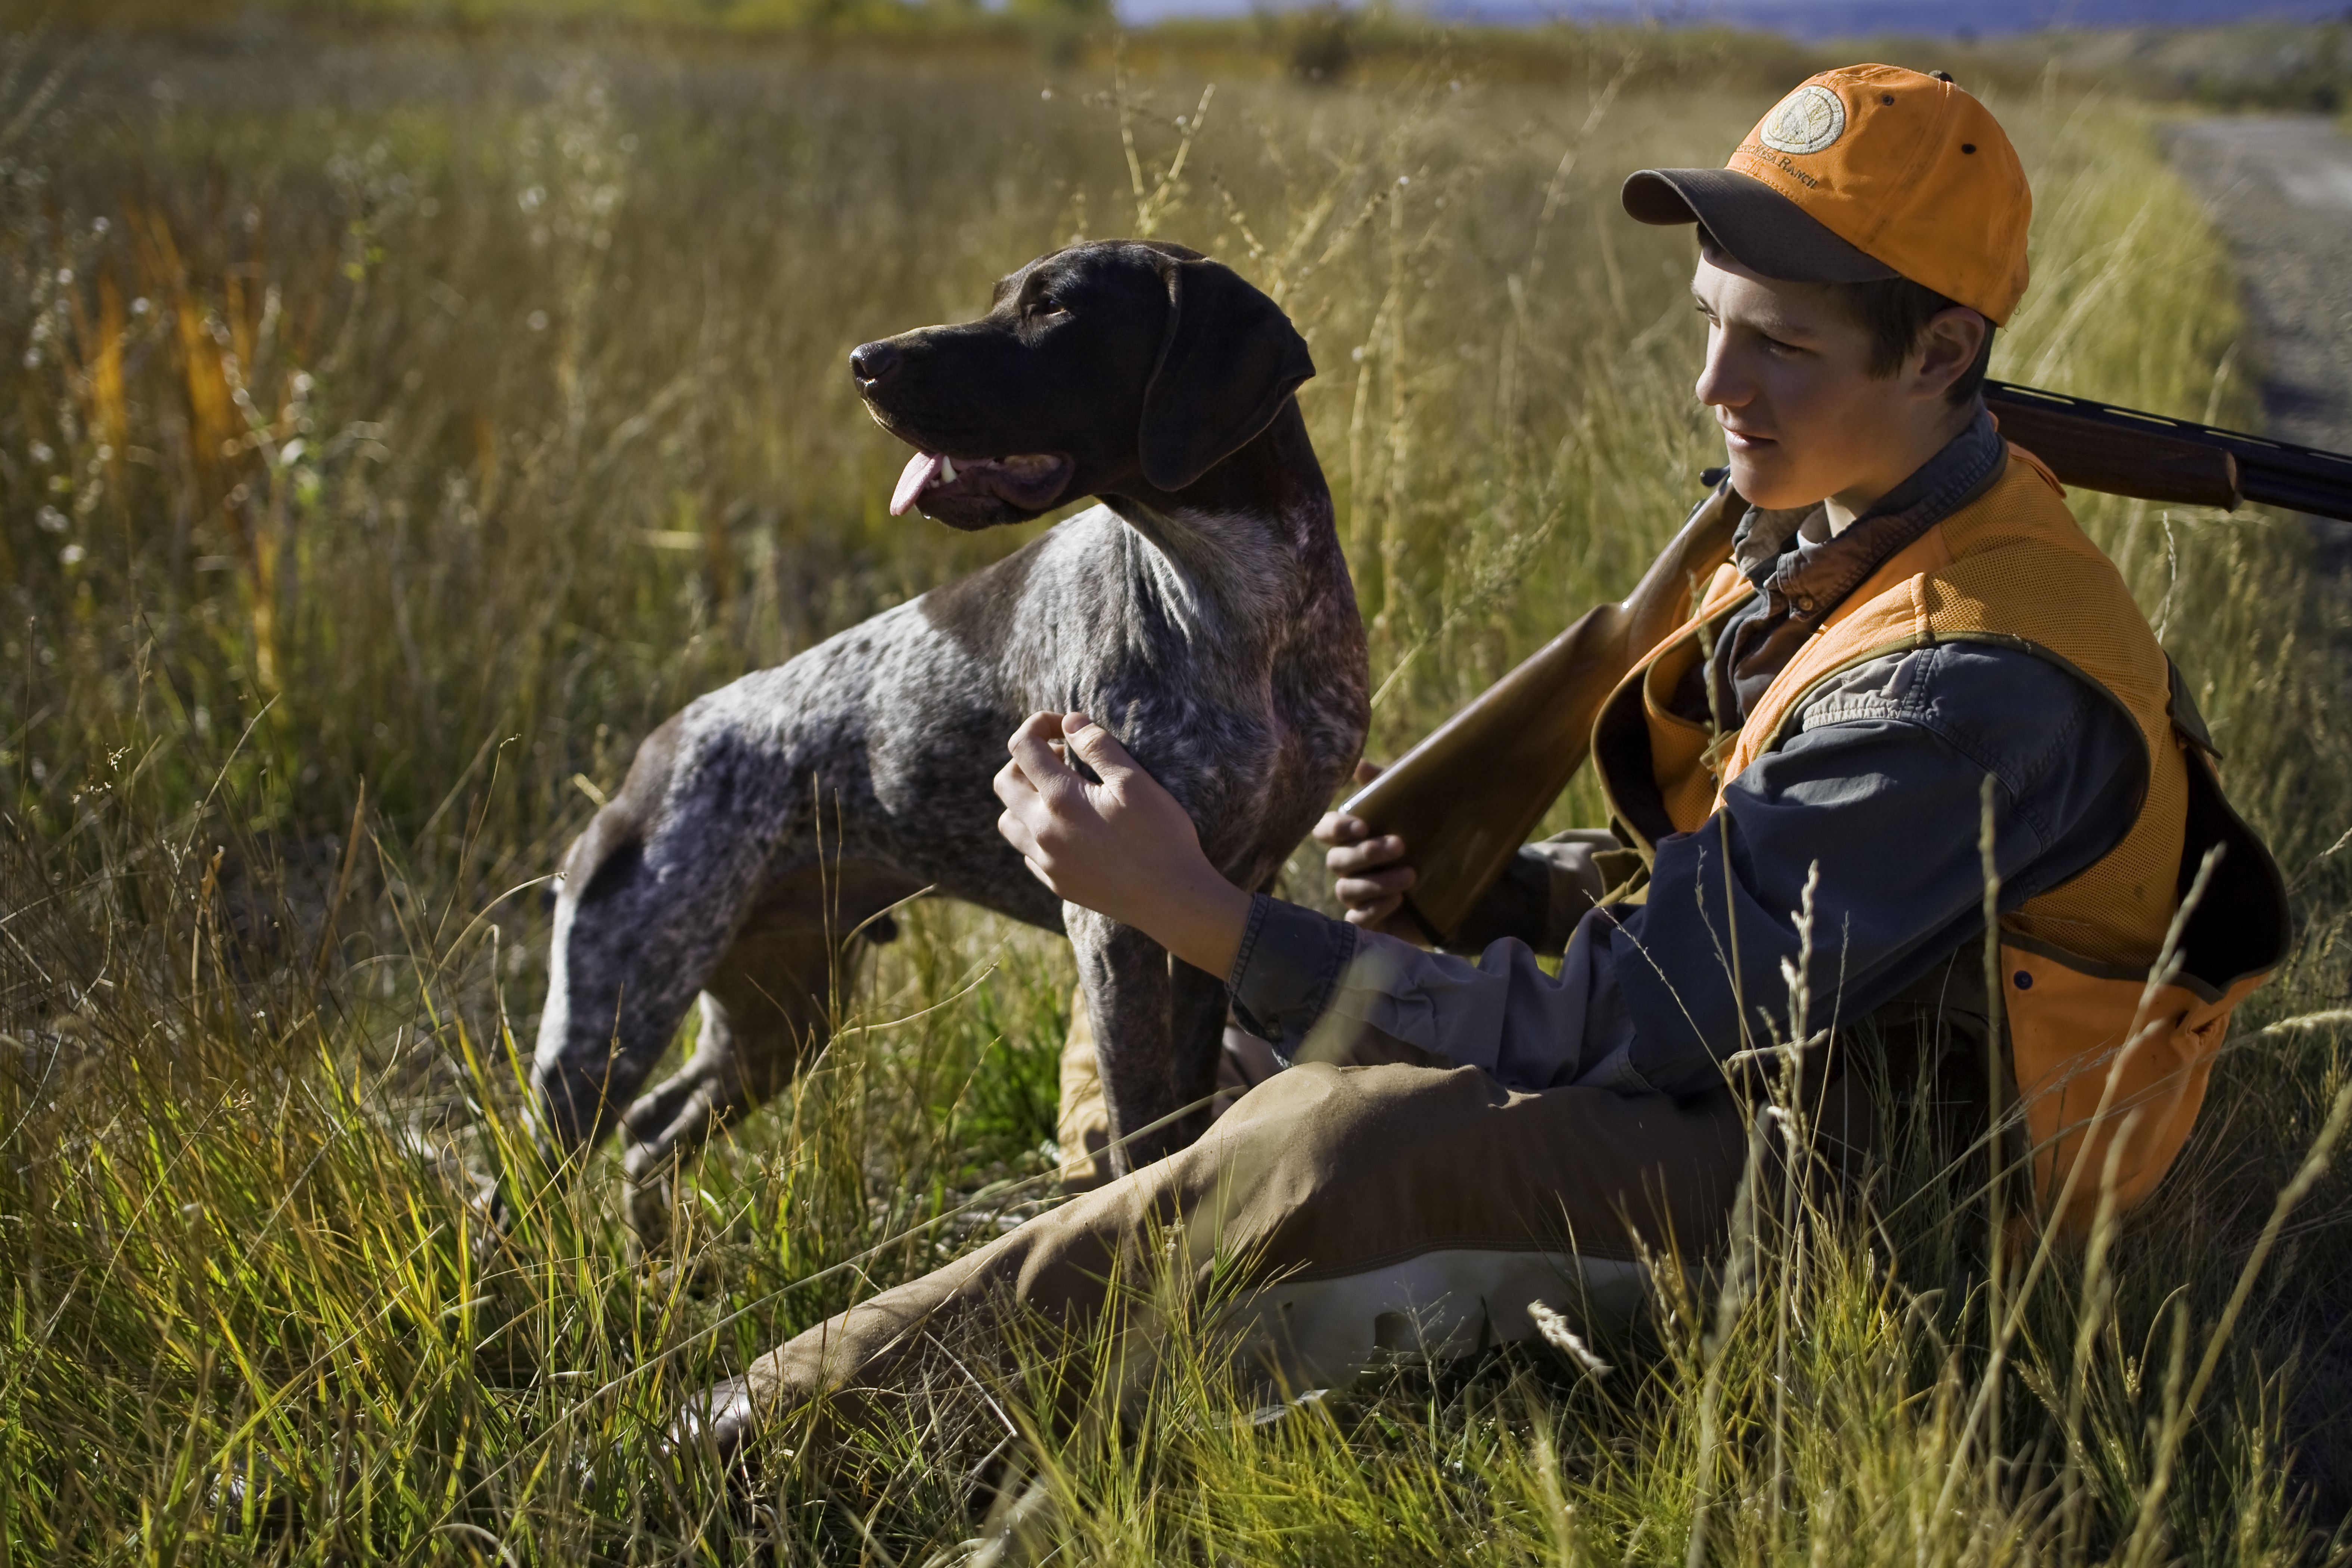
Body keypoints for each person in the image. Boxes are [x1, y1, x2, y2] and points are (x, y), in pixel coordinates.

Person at [691, 64, 2287, 1455]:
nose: (1714, 391)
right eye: (1712, 328)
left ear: (1943, 354)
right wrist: (1503, 893)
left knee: (1330, 1142)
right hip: (1805, 1043)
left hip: (1898, 1210)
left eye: (1781, 350)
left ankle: (789, 1426)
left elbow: (1618, 1028)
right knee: (1212, 1041)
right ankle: (1141, 1282)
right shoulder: (1850, 516)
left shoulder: (1964, 676)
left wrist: (1208, 913)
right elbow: (1782, 901)